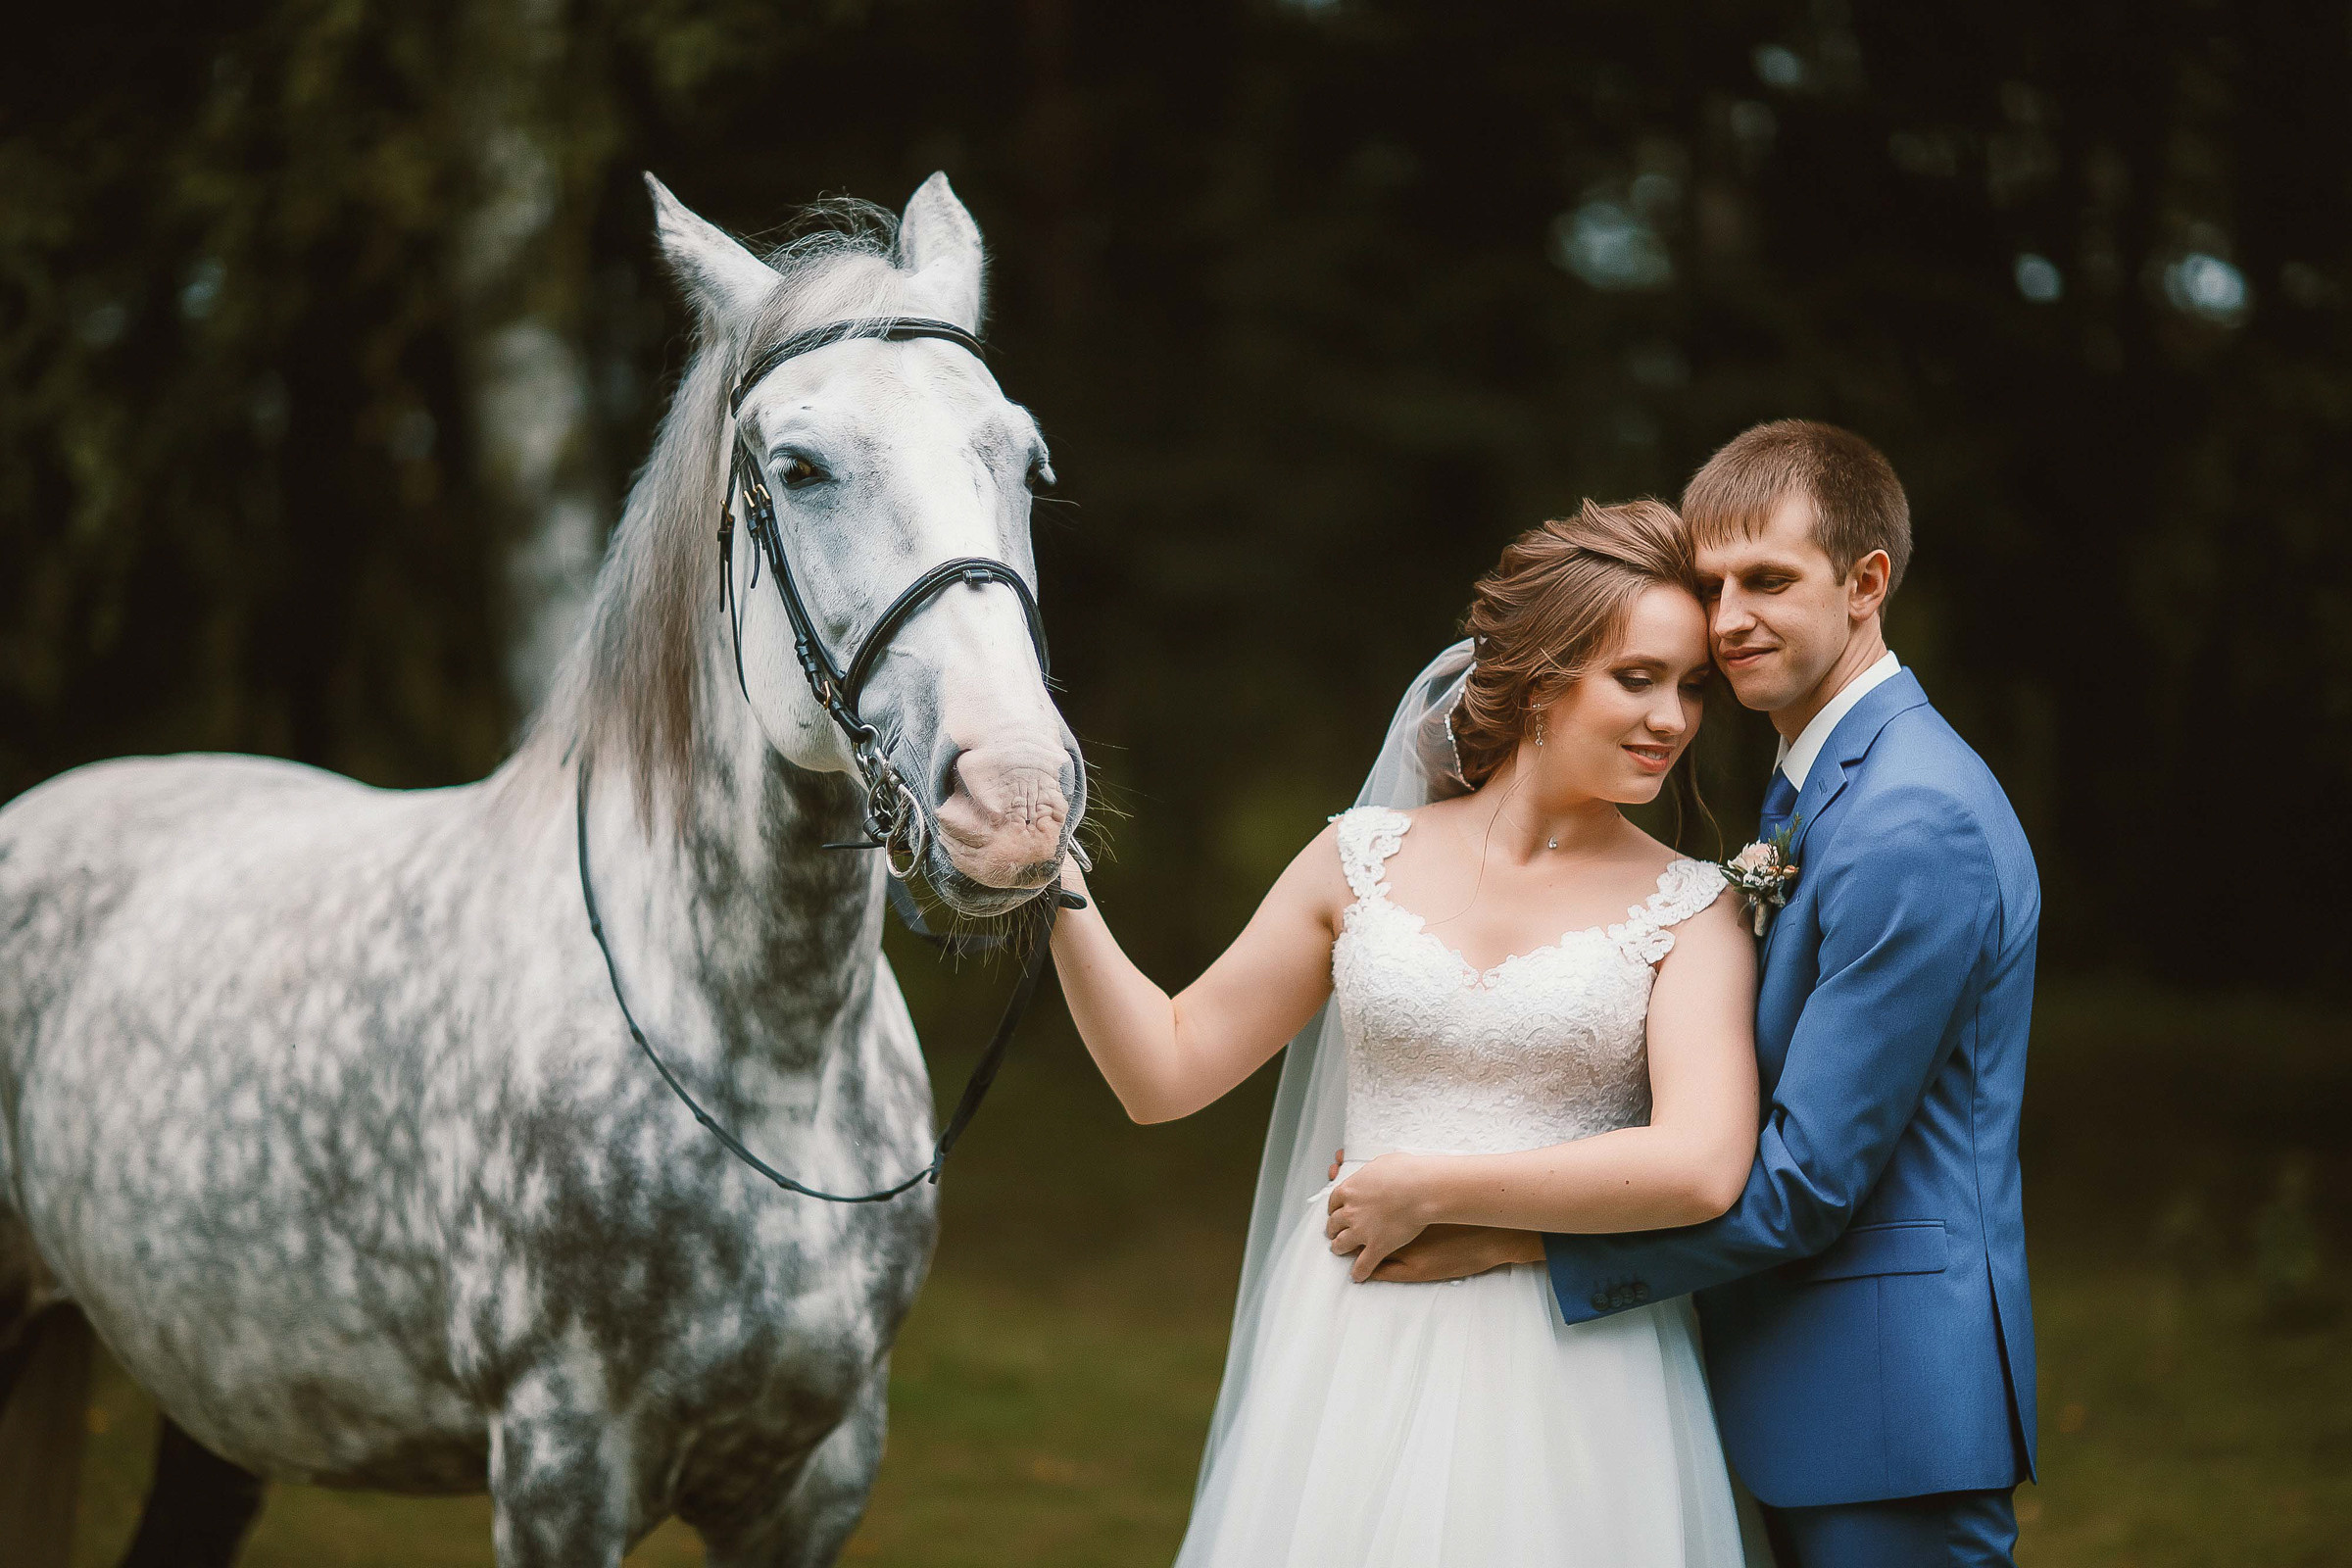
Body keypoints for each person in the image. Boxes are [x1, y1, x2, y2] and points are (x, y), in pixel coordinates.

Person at [1355, 421, 2041, 1568]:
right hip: (1807, 1379)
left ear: (1867, 582)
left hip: (1885, 1404)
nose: (1729, 621)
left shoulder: (1912, 817)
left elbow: (1810, 1179)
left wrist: (1511, 1239)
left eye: (1767, 580)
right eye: (1712, 585)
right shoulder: (1819, 787)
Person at [1050, 498, 1772, 1565]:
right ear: (1537, 676)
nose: (1674, 717)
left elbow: (1702, 1166)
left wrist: (1430, 1186)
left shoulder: (1694, 906)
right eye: (1638, 678)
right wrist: (1052, 887)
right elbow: (1165, 1069)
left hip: (1576, 1370)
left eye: (1691, 687)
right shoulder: (1359, 856)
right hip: (1353, 1342)